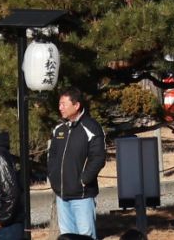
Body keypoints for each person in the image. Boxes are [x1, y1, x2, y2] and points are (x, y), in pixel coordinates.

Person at [47, 87, 107, 240]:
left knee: (86, 236)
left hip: (82, 196)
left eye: (64, 104)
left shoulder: (91, 127)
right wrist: (53, 178)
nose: (60, 108)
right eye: (59, 104)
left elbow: (98, 157)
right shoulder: (59, 129)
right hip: (61, 195)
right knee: (66, 236)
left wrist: (83, 180)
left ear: (76, 105)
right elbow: (52, 156)